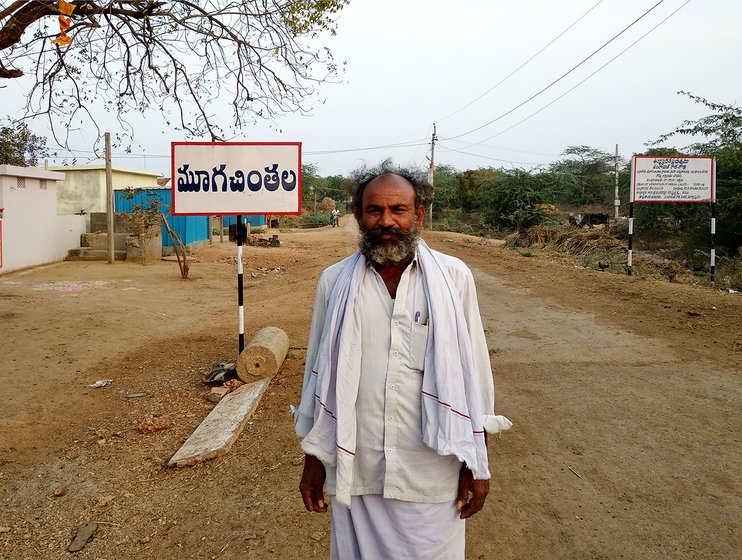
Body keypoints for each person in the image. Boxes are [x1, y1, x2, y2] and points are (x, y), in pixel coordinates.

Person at [293, 163, 511, 559]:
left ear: (419, 215)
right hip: (357, 467)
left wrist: (476, 461)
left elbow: (474, 372)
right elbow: (316, 373)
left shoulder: (454, 278)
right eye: (375, 211)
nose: (386, 221)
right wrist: (314, 458)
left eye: (398, 210)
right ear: (359, 216)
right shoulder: (334, 282)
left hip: (430, 472)